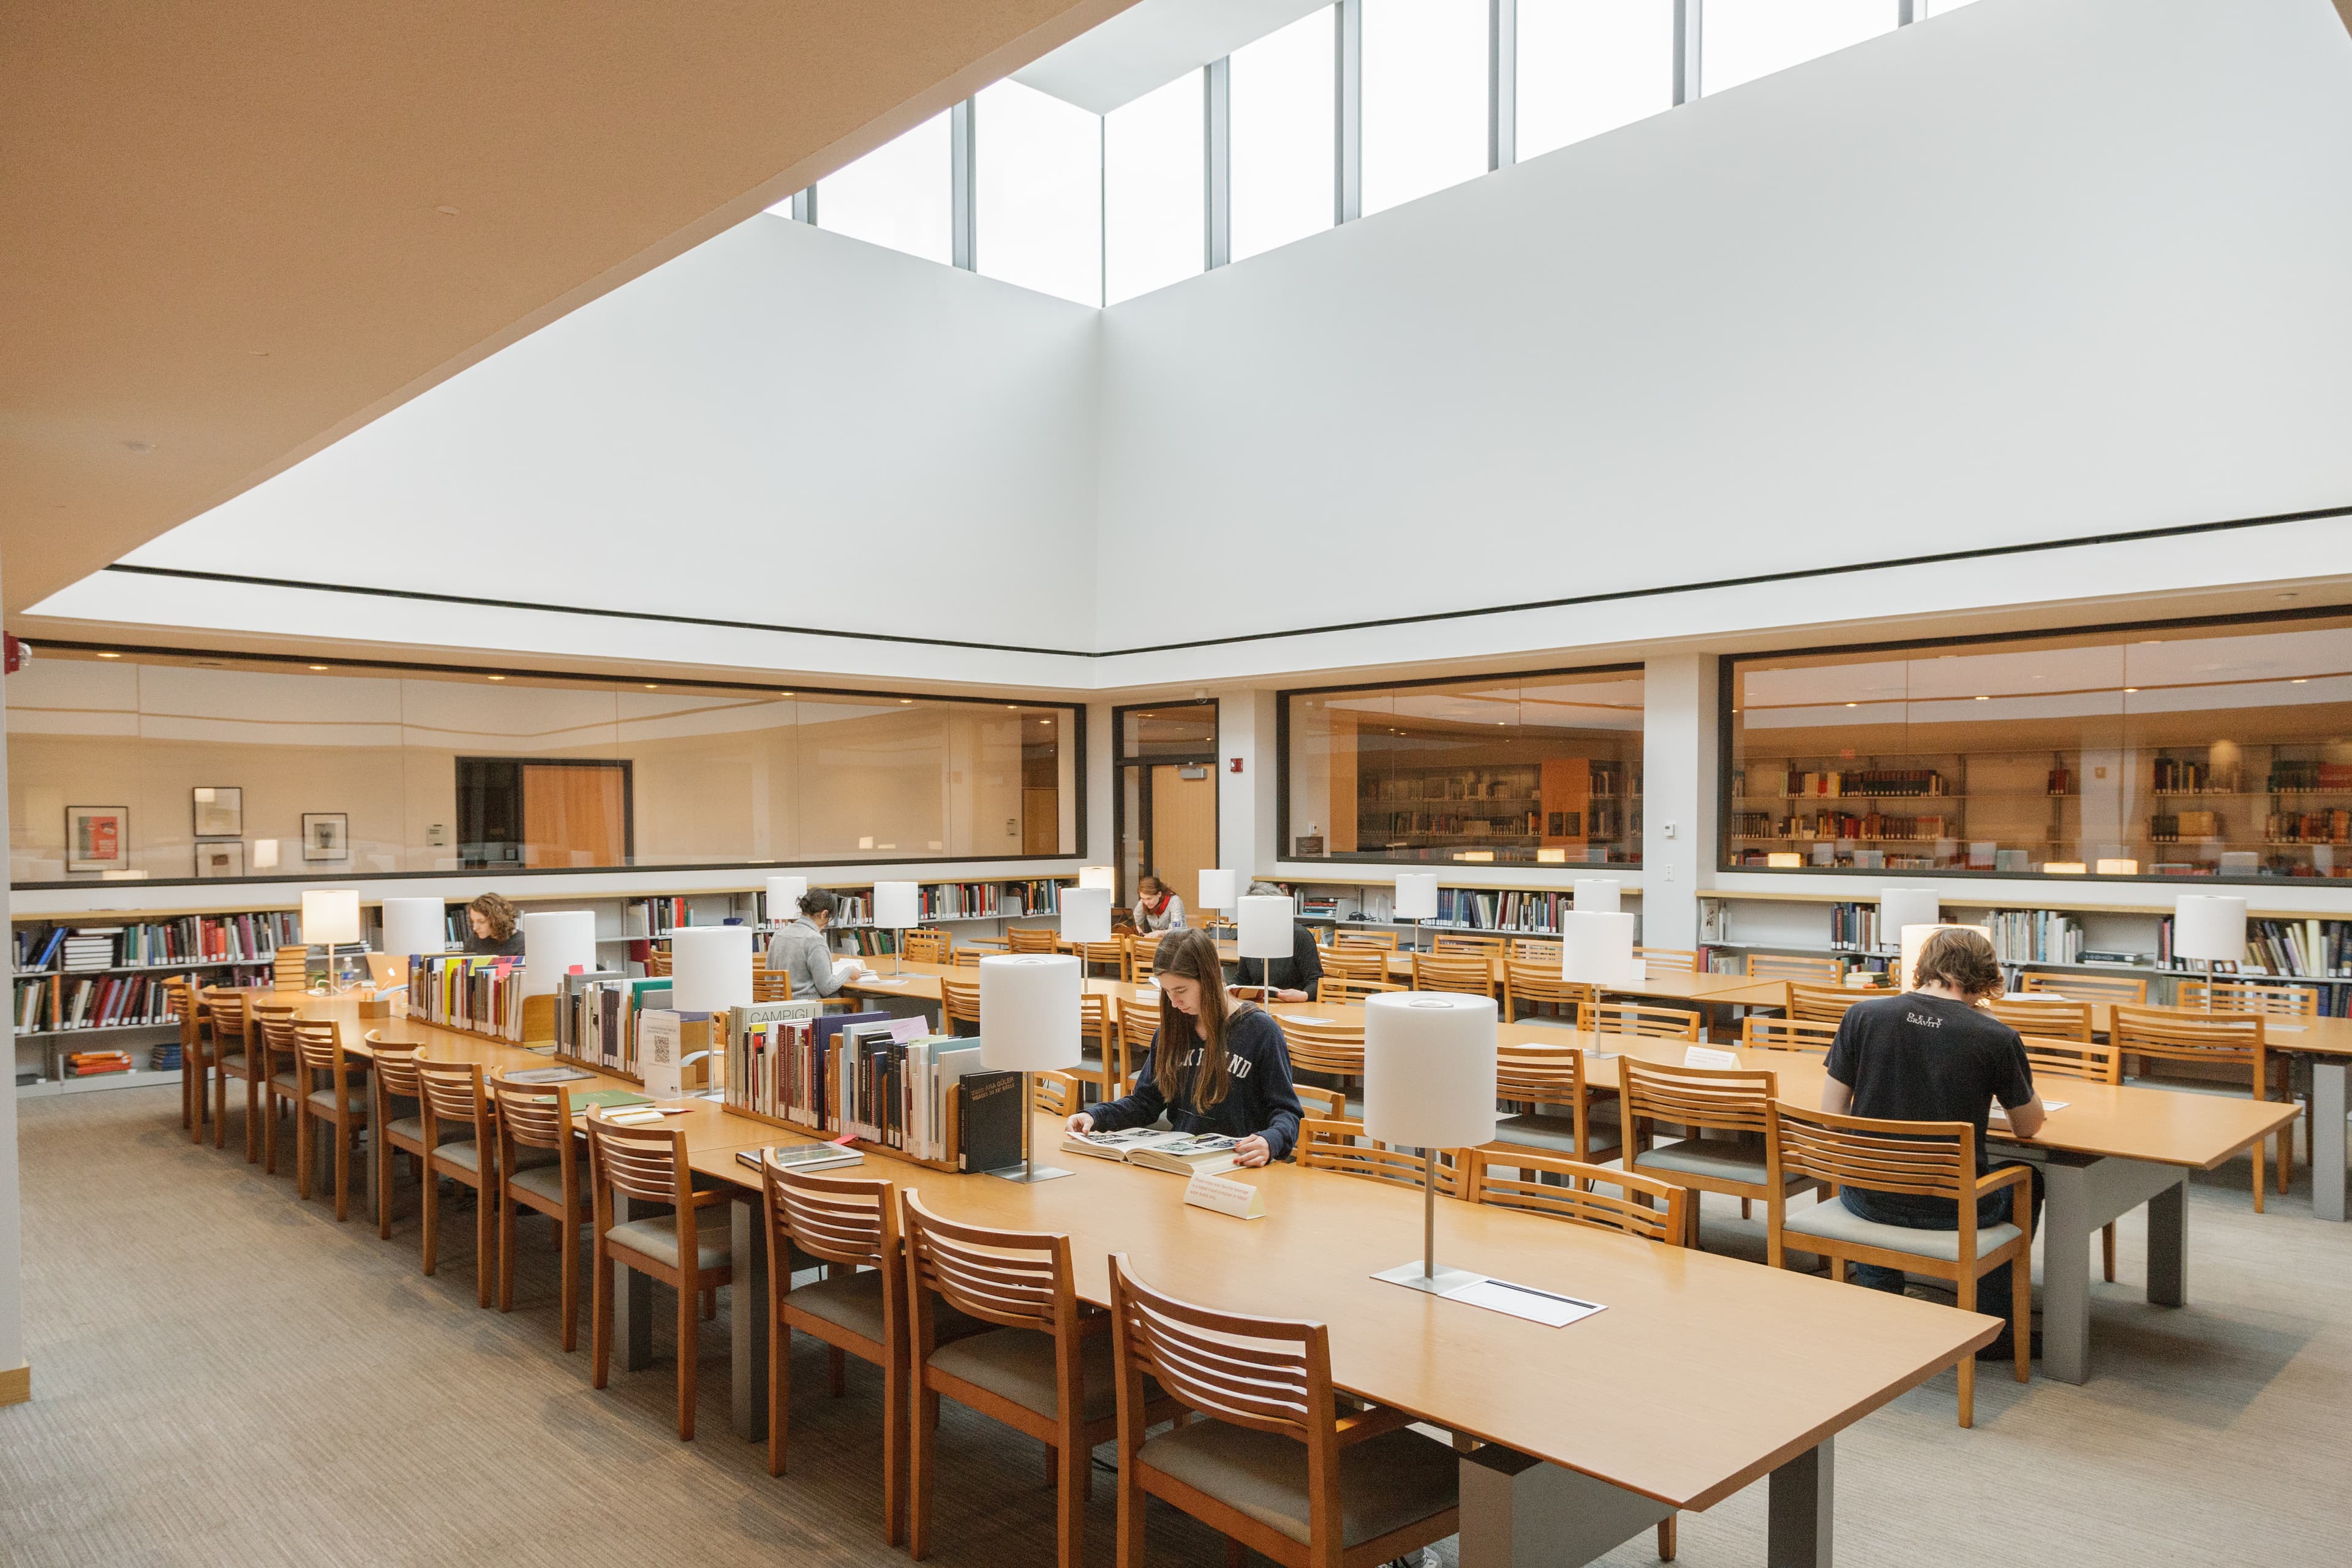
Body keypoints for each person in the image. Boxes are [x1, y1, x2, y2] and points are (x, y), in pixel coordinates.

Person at [1823, 925, 2046, 1357]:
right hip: (1952, 1211)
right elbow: (2027, 1126)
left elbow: (1833, 1118)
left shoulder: (1863, 1015)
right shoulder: (1994, 1036)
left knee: (1884, 1172)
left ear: (1923, 968)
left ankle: (1881, 1291)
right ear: (1984, 977)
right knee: (2029, 1178)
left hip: (1866, 1198)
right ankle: (1990, 1325)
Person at [1065, 928, 1302, 1167]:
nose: (1174, 1002)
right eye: (1166, 992)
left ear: (1209, 979)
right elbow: (1145, 1103)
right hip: (1180, 1162)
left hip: (1239, 1164)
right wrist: (1095, 1115)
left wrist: (1270, 1140)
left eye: (1181, 991)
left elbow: (1287, 1112)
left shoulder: (1261, 1031)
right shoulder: (1171, 1032)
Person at [764, 888, 870, 998]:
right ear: (824, 914)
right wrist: (849, 971)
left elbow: (769, 979)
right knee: (855, 1003)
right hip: (808, 1009)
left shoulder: (778, 935)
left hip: (778, 1010)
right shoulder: (815, 940)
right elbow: (827, 988)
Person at [1231, 881, 1321, 1003]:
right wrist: (1225, 989)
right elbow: (1242, 978)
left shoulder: (1300, 936)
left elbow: (1316, 980)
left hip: (1294, 1005)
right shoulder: (1251, 934)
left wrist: (1304, 995)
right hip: (1258, 1004)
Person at [464, 892, 524, 957]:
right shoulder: (473, 941)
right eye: (473, 921)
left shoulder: (523, 943)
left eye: (482, 922)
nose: (475, 928)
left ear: (496, 920)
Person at [1131, 872, 1187, 937]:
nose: (1146, 903)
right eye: (1143, 899)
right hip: (1156, 943)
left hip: (1177, 942)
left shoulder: (1174, 901)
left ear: (1159, 894)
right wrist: (1135, 928)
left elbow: (1177, 930)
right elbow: (1133, 923)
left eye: (1149, 899)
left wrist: (1161, 933)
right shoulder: (1143, 902)